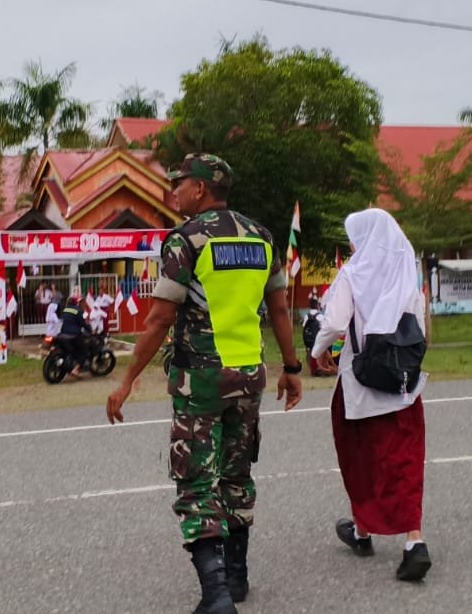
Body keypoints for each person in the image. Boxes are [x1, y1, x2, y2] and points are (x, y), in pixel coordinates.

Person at [107, 153, 304, 614]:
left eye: (179, 183)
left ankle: (216, 595)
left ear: (200, 188)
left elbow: (160, 317)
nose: (174, 191)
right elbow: (279, 309)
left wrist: (127, 380)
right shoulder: (262, 237)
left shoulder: (186, 240)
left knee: (196, 481)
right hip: (249, 377)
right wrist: (292, 368)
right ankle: (236, 578)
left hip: (202, 379)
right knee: (237, 475)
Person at [312, 208, 432, 582]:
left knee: (360, 458)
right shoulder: (406, 273)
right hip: (401, 386)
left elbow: (334, 322)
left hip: (360, 386)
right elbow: (420, 327)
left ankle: (363, 531)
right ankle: (414, 541)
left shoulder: (352, 274)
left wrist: (317, 352)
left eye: (354, 237)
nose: (351, 244)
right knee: (404, 460)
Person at [54, 296, 91, 373]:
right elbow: (83, 323)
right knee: (83, 351)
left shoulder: (65, 310)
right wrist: (90, 330)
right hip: (73, 335)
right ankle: (76, 369)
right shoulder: (78, 311)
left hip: (62, 334)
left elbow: (61, 318)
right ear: (76, 303)